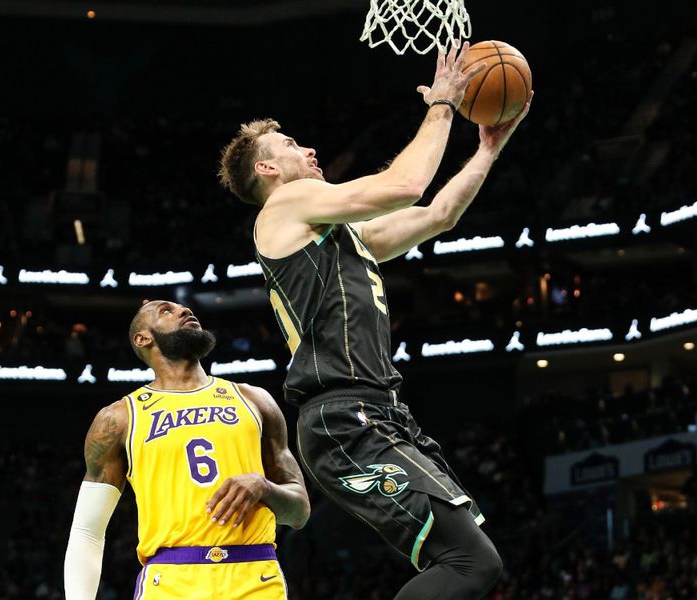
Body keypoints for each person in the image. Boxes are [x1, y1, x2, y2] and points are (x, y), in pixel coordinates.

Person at [218, 40, 531, 600]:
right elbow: (405, 185)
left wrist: (487, 147)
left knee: (474, 561)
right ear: (267, 168)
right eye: (290, 144)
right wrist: (441, 103)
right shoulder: (284, 206)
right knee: (468, 563)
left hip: (377, 413)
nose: (307, 148)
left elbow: (438, 213)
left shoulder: (341, 236)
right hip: (343, 418)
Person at [64, 300, 310, 600]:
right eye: (166, 311)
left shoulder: (254, 400)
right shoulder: (118, 419)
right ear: (143, 338)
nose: (183, 311)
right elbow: (88, 532)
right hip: (170, 582)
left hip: (256, 577)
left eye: (184, 309)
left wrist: (263, 487)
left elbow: (299, 512)